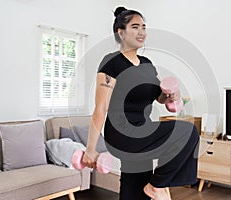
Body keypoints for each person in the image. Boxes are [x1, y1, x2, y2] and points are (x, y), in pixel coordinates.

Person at [82, 6, 199, 200]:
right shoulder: (111, 62)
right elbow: (101, 108)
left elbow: (158, 97)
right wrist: (90, 149)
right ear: (121, 33)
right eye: (135, 27)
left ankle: (151, 188)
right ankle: (157, 186)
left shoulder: (147, 64)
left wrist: (171, 96)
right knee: (187, 132)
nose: (141, 32)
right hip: (122, 133)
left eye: (144, 27)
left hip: (143, 130)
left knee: (134, 188)